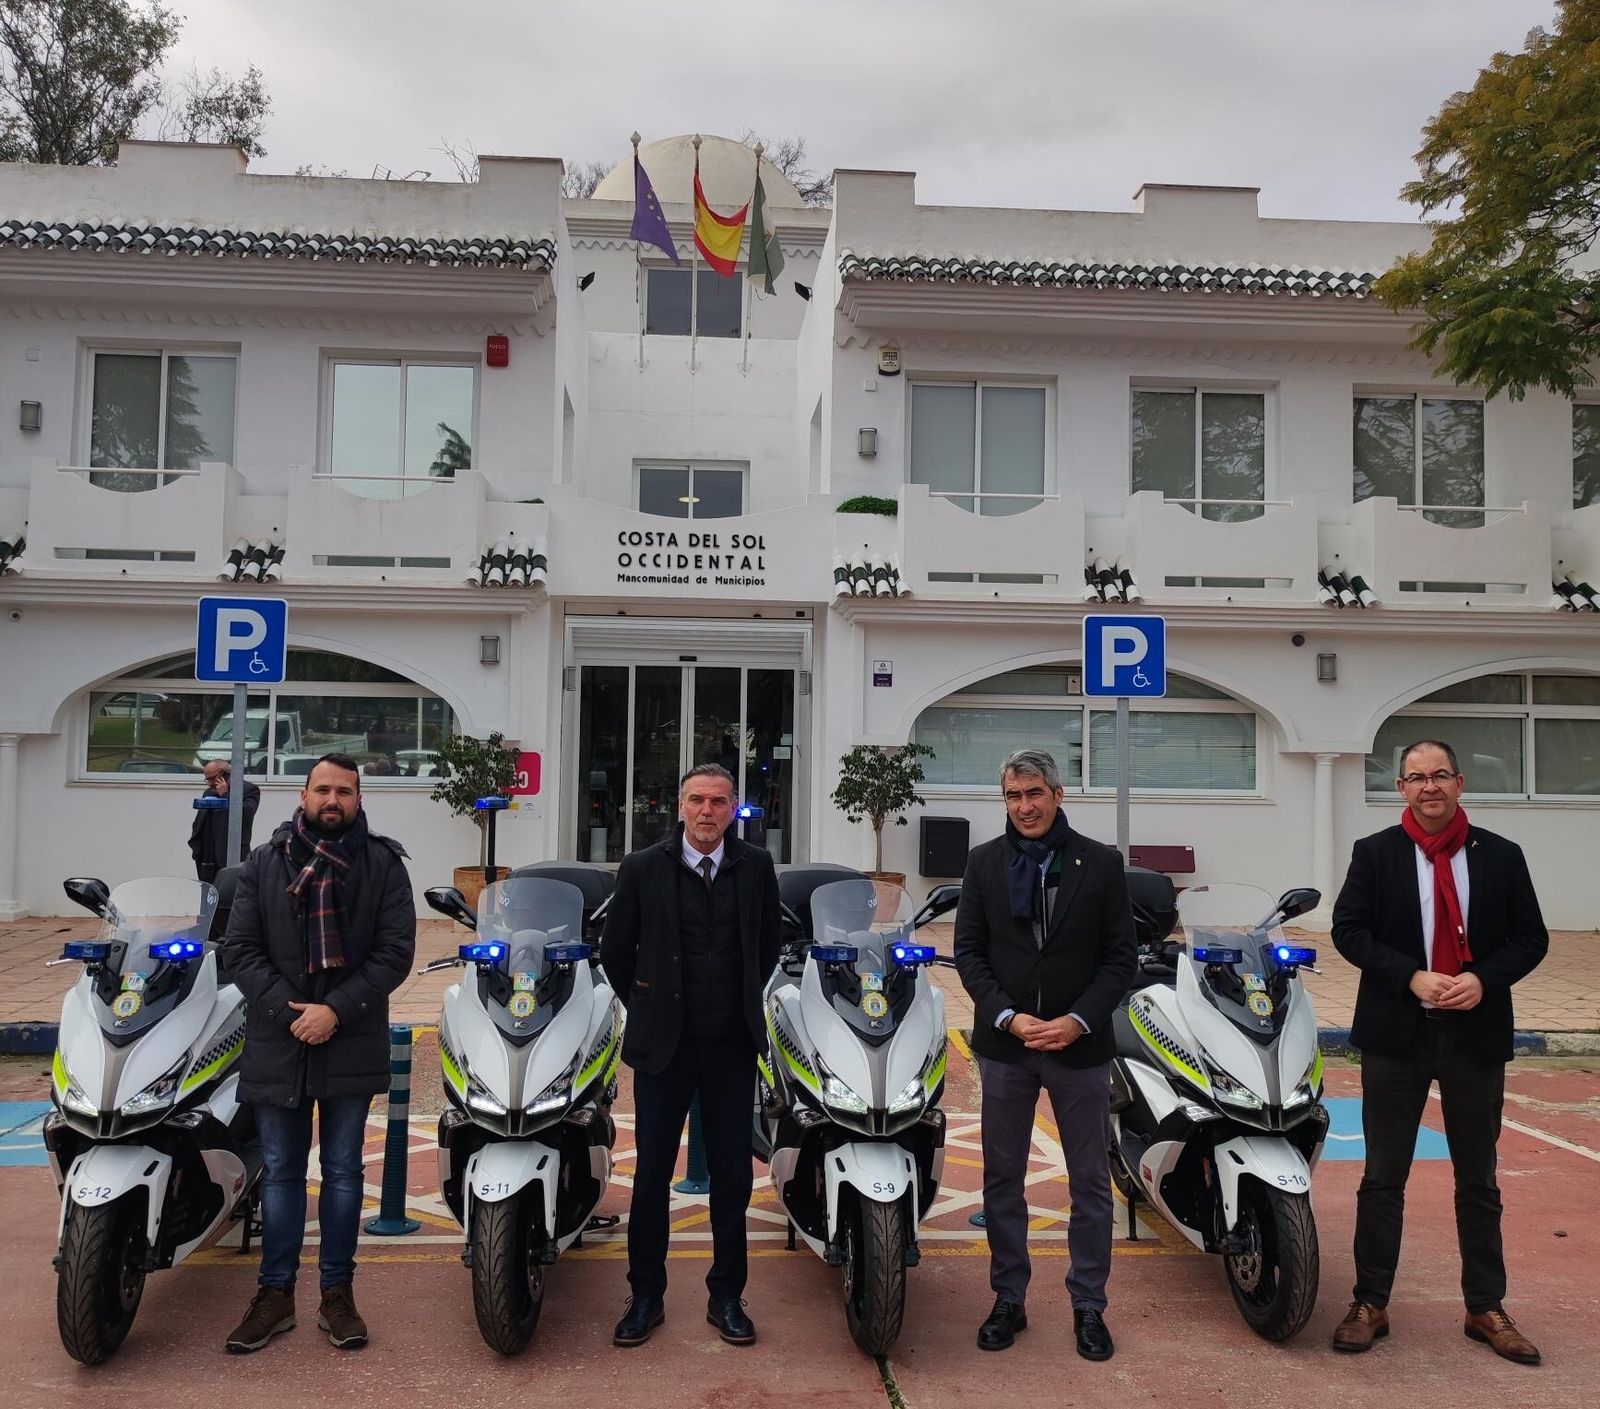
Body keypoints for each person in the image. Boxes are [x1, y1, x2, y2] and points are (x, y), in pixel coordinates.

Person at [1330, 740, 1548, 1364]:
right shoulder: (1376, 854)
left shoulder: (1502, 856)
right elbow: (1349, 929)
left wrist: (1483, 977)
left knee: (1477, 1177)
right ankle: (1370, 1301)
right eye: (1417, 777)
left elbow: (1531, 937)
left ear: (1460, 782)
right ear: (1401, 787)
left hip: (1473, 1034)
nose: (1430, 787)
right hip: (1397, 1035)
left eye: (1441, 775)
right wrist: (1410, 976)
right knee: (1382, 1177)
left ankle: (1486, 1307)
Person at [219, 753, 416, 1355]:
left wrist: (335, 1010)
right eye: (324, 789)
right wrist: (291, 1012)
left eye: (346, 791)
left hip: (349, 1037)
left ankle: (337, 1295)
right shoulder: (263, 863)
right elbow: (240, 951)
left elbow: (395, 952)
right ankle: (274, 1296)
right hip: (279, 1041)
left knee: (342, 1172)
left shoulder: (383, 865)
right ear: (303, 795)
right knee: (278, 1174)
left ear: (360, 799)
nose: (334, 800)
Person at [954, 748, 1136, 1357]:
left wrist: (1078, 1021)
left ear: (1058, 795)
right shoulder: (983, 863)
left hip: (1078, 1048)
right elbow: (970, 955)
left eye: (1034, 794)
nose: (1024, 807)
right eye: (1013, 796)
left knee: (1088, 1181)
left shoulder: (1102, 863)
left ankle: (1089, 1305)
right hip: (1007, 1046)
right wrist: (1010, 1016)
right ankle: (1009, 1299)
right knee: (1003, 1179)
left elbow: (1120, 960)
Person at [600, 763, 781, 1349]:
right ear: (679, 807)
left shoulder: (756, 867)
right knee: (652, 1175)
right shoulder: (643, 867)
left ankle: (727, 1295)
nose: (708, 811)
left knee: (733, 1178)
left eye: (720, 802)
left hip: (731, 1046)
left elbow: (769, 946)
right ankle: (645, 1296)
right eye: (698, 801)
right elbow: (616, 952)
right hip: (663, 1050)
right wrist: (649, 1004)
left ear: (735, 808)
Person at [189, 761, 260, 882]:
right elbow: (200, 821)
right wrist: (197, 849)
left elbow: (245, 815)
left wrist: (225, 795)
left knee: (230, 894)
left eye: (213, 778)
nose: (210, 783)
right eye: (207, 780)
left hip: (232, 855)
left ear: (225, 774)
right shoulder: (209, 792)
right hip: (207, 857)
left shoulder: (248, 790)